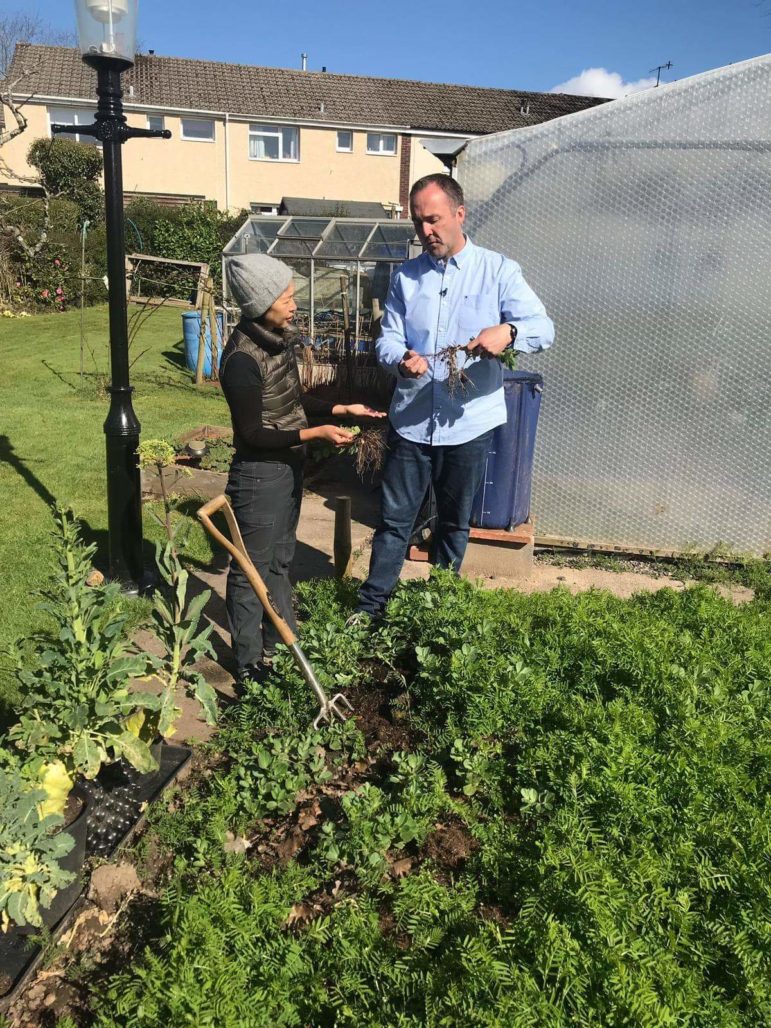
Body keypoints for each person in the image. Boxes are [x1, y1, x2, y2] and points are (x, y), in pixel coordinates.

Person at [355, 173, 554, 618]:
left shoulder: (498, 270)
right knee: (394, 522)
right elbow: (385, 341)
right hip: (411, 420)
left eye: (434, 220)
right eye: (418, 223)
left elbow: (544, 328)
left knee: (452, 523)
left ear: (460, 215)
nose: (426, 232)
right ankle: (370, 610)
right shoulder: (407, 277)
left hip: (468, 424)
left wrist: (509, 331)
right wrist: (401, 358)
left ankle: (437, 610)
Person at [221, 253, 385, 683]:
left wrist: (339, 408)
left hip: (288, 469)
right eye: (287, 297)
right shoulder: (241, 359)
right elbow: (252, 434)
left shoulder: (273, 342)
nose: (295, 304)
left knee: (279, 562)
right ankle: (249, 663)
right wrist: (314, 435)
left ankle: (282, 643)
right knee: (249, 569)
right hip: (258, 477)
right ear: (260, 302)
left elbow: (291, 405)